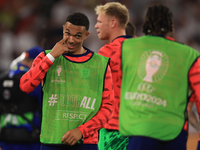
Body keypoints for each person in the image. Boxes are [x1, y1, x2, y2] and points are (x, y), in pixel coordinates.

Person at [20, 12, 114, 150]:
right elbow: (25, 86)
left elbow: (108, 108)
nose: (71, 40)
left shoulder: (100, 64)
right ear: (64, 28)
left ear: (86, 35)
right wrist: (51, 57)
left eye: (77, 36)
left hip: (85, 143)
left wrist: (81, 131)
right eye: (67, 33)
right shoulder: (46, 57)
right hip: (51, 141)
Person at [119, 4, 200, 150]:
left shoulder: (126, 48)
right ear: (171, 27)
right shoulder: (190, 55)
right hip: (174, 132)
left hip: (139, 130)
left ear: (145, 25)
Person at [94, 2, 134, 150]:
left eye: (99, 22)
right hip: (141, 130)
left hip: (114, 130)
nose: (96, 26)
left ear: (113, 23)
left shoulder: (106, 53)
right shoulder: (142, 50)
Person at [0, 46, 43, 150]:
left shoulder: (2, 78)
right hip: (30, 139)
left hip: (5, 138)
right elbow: (45, 108)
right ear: (36, 61)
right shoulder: (34, 82)